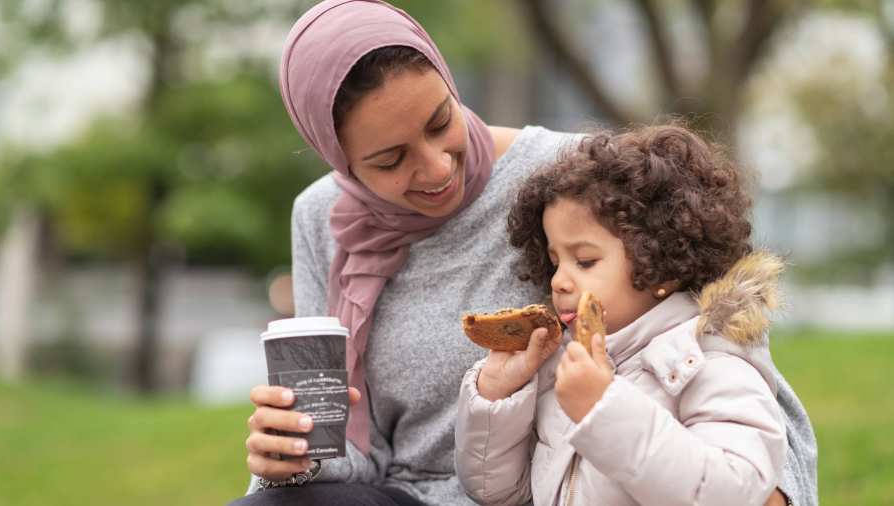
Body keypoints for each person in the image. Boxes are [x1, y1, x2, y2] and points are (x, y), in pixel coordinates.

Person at [231, 1, 818, 505]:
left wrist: (771, 492)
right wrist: (299, 453)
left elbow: (736, 362)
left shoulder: (572, 181)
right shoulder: (322, 219)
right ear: (339, 159)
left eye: (441, 122)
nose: (435, 167)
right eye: (389, 160)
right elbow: (353, 457)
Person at [455, 125, 790, 505]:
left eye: (584, 261)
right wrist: (498, 397)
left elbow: (734, 491)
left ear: (662, 263)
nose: (560, 281)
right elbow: (500, 493)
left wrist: (604, 410)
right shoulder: (564, 365)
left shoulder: (710, 365)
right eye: (554, 262)